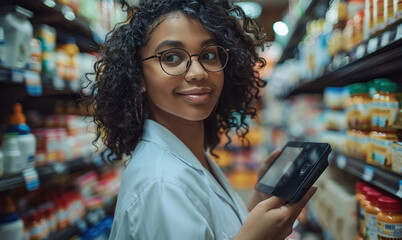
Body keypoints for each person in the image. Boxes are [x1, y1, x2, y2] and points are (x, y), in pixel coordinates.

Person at [84, 0, 317, 239]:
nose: (198, 72)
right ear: (139, 76)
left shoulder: (189, 155)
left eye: (208, 55)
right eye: (172, 58)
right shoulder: (163, 185)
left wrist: (259, 200)